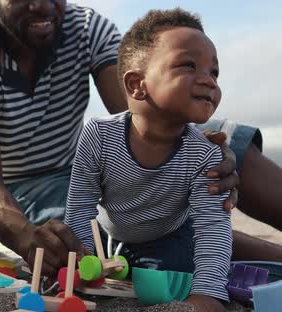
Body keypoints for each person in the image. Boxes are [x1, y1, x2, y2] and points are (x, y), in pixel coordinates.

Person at [0, 0, 281, 278]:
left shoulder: (86, 27)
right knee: (111, 228)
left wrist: (200, 154)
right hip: (26, 186)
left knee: (222, 141)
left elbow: (144, 114)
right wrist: (24, 237)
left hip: (90, 160)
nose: (41, 5)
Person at [64, 8, 230, 310]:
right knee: (83, 274)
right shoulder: (99, 136)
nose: (209, 81)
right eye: (189, 65)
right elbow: (80, 208)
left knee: (159, 288)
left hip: (168, 235)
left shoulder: (204, 153)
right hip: (108, 233)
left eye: (214, 71)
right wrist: (83, 262)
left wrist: (208, 294)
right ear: (136, 85)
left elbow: (212, 227)